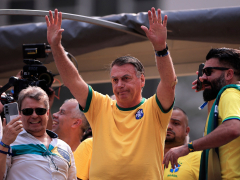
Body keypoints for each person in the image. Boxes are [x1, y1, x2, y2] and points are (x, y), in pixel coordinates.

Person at [46, 7, 176, 179]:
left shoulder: (154, 109)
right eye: (115, 80)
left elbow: (169, 83)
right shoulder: (101, 106)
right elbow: (72, 81)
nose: (120, 85)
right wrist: (56, 47)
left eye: (126, 78)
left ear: (142, 80)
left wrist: (160, 48)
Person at [163, 48, 240, 180]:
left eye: (209, 72)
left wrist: (188, 147)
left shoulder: (230, 94)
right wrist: (211, 90)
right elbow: (217, 126)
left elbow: (233, 127)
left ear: (229, 74)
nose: (203, 77)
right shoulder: (230, 95)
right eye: (203, 72)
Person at [0, 86, 77, 180]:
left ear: (47, 113)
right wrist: (4, 143)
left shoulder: (65, 147)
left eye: (40, 111)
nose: (34, 115)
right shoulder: (8, 141)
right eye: (28, 111)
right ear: (20, 114)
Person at [164, 107, 201, 180]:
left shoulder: (199, 157)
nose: (168, 127)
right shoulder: (145, 156)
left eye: (176, 123)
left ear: (186, 131)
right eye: (164, 122)